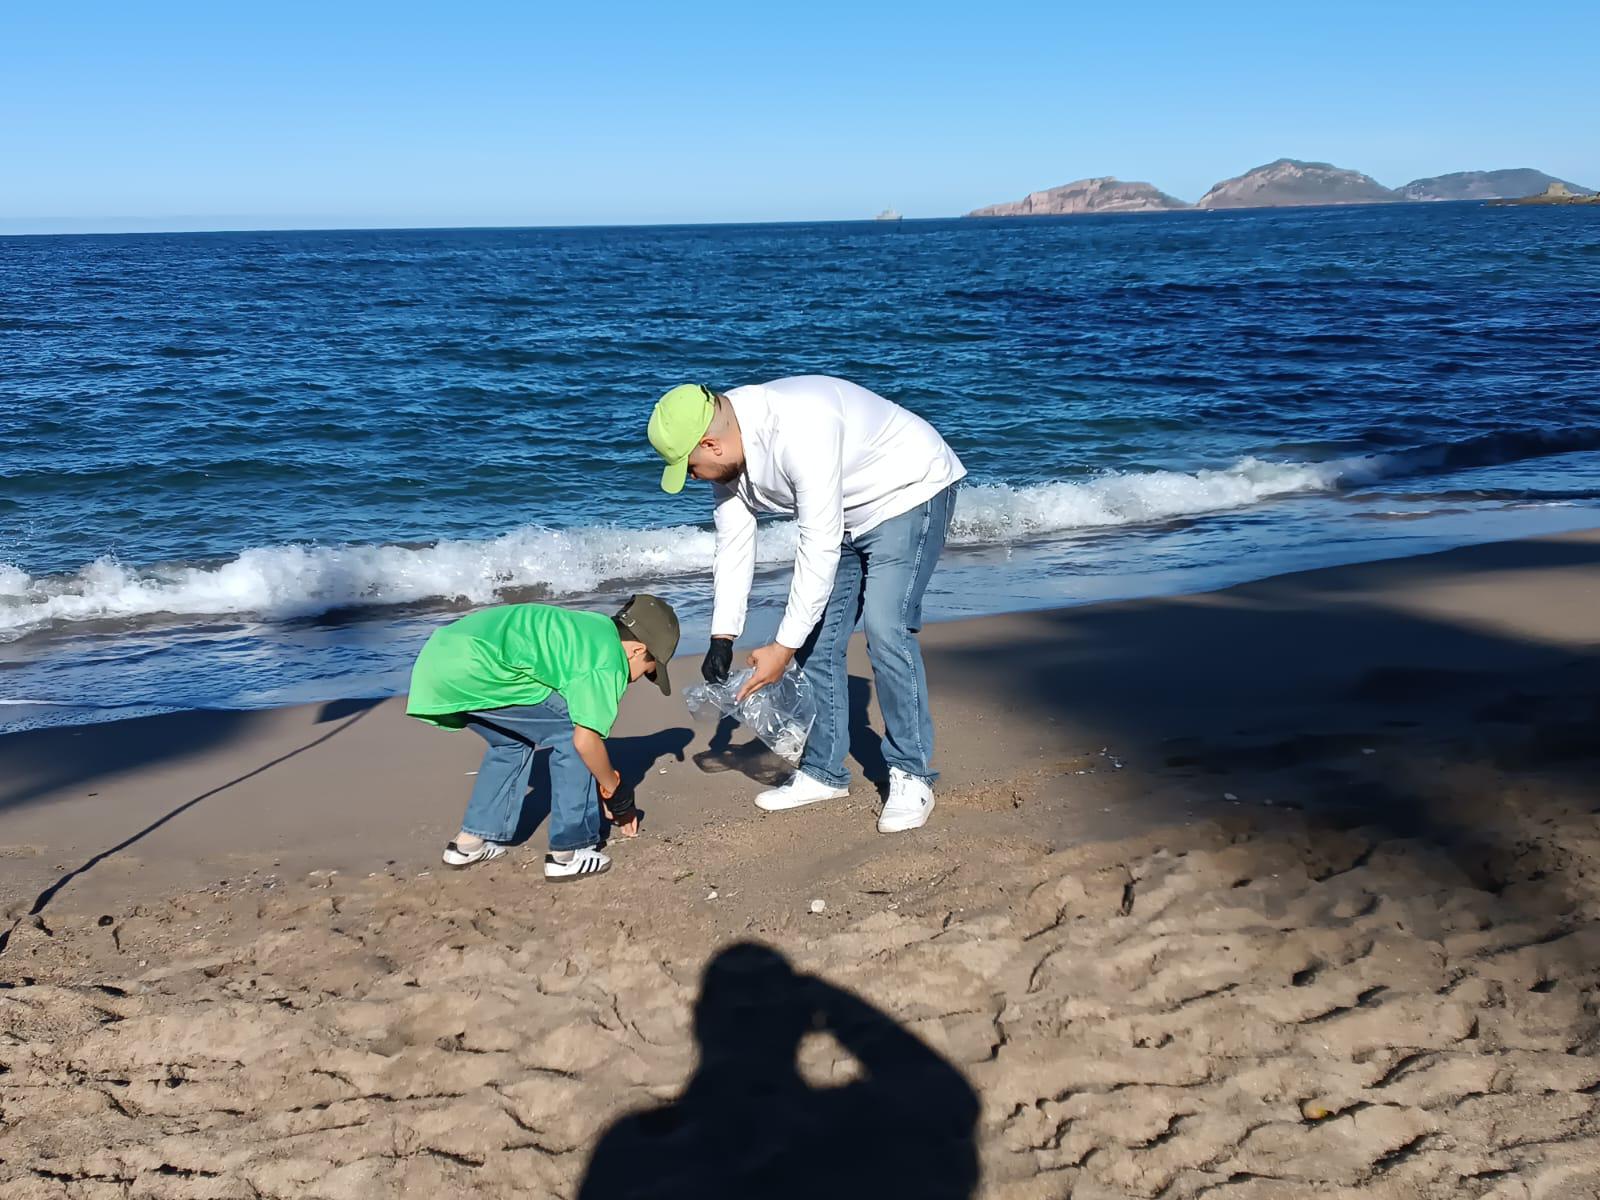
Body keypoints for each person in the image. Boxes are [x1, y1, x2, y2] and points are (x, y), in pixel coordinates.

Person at [647, 375, 964, 833]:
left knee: (884, 628)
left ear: (711, 444)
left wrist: (782, 647)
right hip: (845, 516)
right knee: (818, 641)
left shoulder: (798, 429)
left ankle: (911, 773)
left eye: (689, 466)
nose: (692, 477)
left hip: (907, 491)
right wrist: (723, 634)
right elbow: (735, 543)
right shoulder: (729, 455)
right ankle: (824, 773)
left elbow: (816, 546)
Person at [406, 594, 680, 880]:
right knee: (571, 729)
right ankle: (569, 853)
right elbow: (585, 741)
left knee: (511, 741)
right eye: (648, 671)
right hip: (480, 666)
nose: (634, 681)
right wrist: (616, 791)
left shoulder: (591, 628)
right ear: (637, 649)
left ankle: (468, 844)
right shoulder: (609, 659)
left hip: (438, 658)